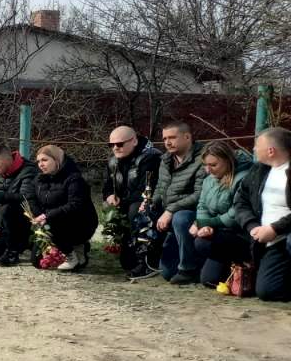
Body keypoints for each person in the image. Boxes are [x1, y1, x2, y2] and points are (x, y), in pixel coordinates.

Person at [230, 126, 291, 303]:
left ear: (271, 150)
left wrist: (274, 228)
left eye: (257, 145)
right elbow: (240, 201)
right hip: (263, 239)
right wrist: (252, 226)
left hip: (284, 236)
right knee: (267, 291)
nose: (254, 149)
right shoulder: (259, 170)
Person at [104, 125, 162, 277]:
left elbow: (146, 190)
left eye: (120, 144)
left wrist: (122, 202)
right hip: (126, 204)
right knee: (126, 263)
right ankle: (127, 250)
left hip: (148, 203)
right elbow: (107, 187)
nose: (115, 148)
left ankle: (148, 261)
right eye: (112, 145)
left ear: (134, 141)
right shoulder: (113, 162)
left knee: (136, 210)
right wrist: (110, 195)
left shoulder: (151, 157)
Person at [192, 140, 251, 290]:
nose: (208, 170)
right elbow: (202, 205)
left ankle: (245, 262)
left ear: (227, 160)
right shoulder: (209, 180)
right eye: (206, 165)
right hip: (220, 231)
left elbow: (236, 213)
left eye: (213, 165)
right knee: (209, 280)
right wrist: (203, 224)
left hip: (240, 234)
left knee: (202, 242)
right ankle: (231, 267)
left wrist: (208, 223)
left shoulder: (243, 177)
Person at [151, 120, 205, 285]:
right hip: (170, 214)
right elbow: (160, 187)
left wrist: (171, 210)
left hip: (193, 214)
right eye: (165, 138)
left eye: (172, 137)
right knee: (168, 273)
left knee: (180, 218)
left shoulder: (202, 158)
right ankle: (144, 261)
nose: (167, 142)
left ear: (187, 137)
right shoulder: (166, 159)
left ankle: (188, 269)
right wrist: (149, 204)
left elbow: (199, 194)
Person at [31, 145, 97, 271]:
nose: (40, 164)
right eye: (38, 161)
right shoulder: (39, 179)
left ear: (57, 160)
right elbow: (32, 198)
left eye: (45, 160)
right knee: (37, 262)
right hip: (51, 220)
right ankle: (68, 247)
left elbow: (75, 205)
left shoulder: (74, 179)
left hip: (79, 222)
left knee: (53, 225)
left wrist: (47, 216)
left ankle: (72, 254)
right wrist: (37, 215)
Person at [0, 146, 37, 266]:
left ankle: (13, 252)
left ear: (8, 160)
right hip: (5, 221)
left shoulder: (29, 170)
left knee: (10, 208)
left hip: (28, 218)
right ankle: (19, 244)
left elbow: (25, 197)